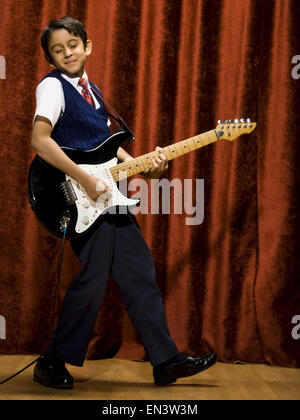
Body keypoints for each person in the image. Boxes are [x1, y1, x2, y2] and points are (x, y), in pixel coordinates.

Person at [31, 16, 217, 389]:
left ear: (88, 46)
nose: (67, 52)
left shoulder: (91, 91)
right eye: (58, 49)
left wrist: (148, 167)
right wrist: (85, 178)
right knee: (94, 279)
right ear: (51, 59)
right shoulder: (52, 88)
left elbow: (106, 150)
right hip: (78, 196)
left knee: (139, 274)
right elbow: (40, 140)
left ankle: (165, 362)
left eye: (73, 44)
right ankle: (51, 363)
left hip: (106, 198)